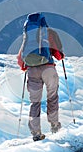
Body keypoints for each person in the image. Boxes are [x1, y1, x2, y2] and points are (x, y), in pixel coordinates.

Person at [17, 13, 64, 141]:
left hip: (32, 71)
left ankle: (36, 133)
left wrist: (30, 66)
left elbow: (20, 61)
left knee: (35, 102)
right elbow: (59, 55)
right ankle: (55, 126)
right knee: (52, 97)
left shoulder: (27, 38)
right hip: (48, 69)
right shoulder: (50, 33)